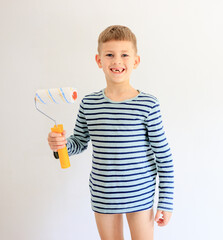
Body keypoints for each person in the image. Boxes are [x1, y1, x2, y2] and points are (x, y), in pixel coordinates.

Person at [47, 25, 174, 240]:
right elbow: (78, 142)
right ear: (99, 61)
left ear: (135, 61)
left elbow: (164, 156)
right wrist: (61, 146)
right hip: (104, 194)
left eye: (124, 55)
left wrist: (165, 202)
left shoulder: (148, 105)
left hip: (140, 195)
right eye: (109, 55)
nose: (117, 61)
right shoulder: (89, 103)